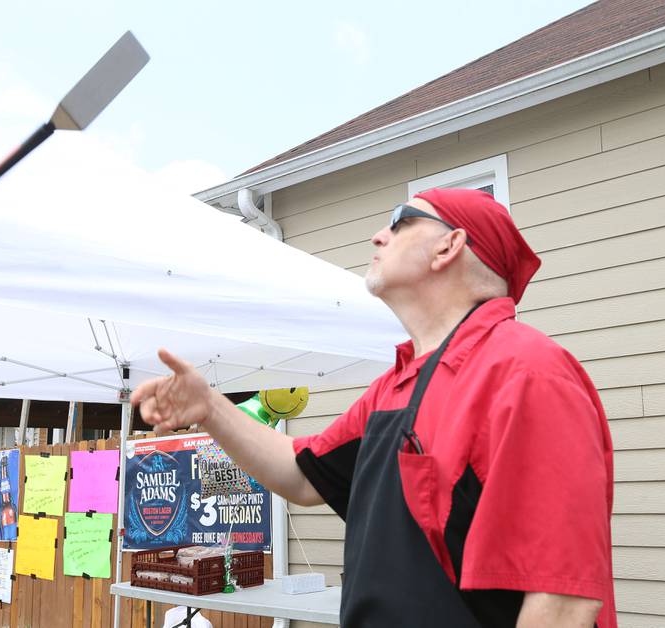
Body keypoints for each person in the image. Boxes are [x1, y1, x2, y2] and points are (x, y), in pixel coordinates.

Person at [132, 188, 616, 628]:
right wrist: (210, 408)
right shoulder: (396, 387)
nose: (377, 235)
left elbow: (562, 599)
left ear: (449, 247)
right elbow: (303, 475)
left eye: (401, 221)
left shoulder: (526, 372)